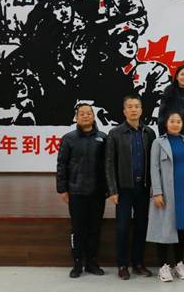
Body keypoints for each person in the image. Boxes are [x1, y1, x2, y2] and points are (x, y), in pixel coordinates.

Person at [105, 95, 157, 280]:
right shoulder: (115, 133)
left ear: (141, 110)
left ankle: (138, 263)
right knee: (122, 228)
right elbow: (109, 163)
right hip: (124, 189)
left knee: (141, 227)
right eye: (130, 106)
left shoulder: (149, 132)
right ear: (124, 111)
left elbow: (154, 162)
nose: (134, 109)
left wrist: (155, 188)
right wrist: (112, 190)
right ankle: (122, 264)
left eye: (137, 106)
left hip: (143, 188)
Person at [56, 103, 107, 278]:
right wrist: (62, 188)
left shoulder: (102, 138)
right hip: (76, 191)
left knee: (95, 229)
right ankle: (77, 263)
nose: (85, 116)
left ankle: (92, 263)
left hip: (97, 192)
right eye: (82, 113)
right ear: (76, 117)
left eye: (88, 113)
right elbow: (62, 164)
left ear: (93, 116)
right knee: (77, 229)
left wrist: (109, 189)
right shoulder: (68, 138)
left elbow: (107, 165)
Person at [146, 112, 184, 282]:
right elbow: (154, 168)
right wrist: (157, 192)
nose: (175, 124)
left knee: (180, 228)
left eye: (178, 121)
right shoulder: (158, 143)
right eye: (172, 121)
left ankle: (179, 264)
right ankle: (163, 266)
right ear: (166, 123)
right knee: (164, 228)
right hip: (166, 192)